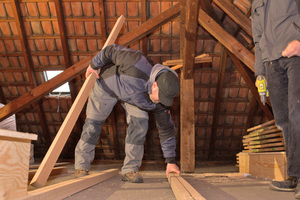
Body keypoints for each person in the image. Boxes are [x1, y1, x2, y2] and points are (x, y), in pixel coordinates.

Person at [74, 44, 181, 183]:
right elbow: (110, 51)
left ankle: (130, 170)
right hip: (106, 87)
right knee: (92, 125)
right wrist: (94, 64)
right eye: (161, 96)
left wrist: (170, 161)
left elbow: (166, 130)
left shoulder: (161, 102)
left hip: (134, 99)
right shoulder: (136, 62)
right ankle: (81, 166)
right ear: (154, 85)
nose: (162, 101)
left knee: (140, 125)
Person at [251, 0, 300, 198]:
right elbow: (258, 40)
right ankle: (294, 175)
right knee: (284, 121)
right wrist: (259, 72)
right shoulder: (256, 4)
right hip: (271, 64)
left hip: (295, 56)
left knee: (297, 114)